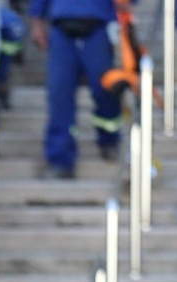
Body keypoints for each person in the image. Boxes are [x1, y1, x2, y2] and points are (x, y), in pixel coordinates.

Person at [30, 0, 119, 178]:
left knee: (105, 90)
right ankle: (60, 160)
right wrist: (36, 23)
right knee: (59, 95)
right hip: (62, 28)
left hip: (98, 27)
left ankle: (109, 140)